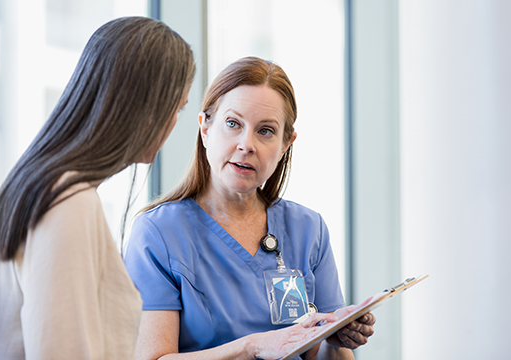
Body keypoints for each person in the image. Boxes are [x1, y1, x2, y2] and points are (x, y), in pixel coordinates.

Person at [0, 17, 196, 359]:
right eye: (176, 108)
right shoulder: (67, 200)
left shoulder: (49, 185)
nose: (173, 124)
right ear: (146, 106)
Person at [123, 56, 375, 360]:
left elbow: (323, 355)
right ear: (205, 128)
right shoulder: (159, 233)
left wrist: (338, 340)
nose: (247, 144)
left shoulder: (308, 229)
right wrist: (252, 347)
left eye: (265, 131)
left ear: (285, 145)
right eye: (233, 124)